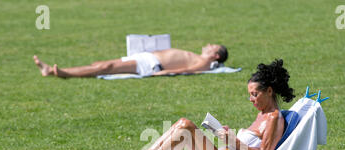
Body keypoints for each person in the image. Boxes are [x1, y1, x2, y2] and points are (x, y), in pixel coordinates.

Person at [113, 59, 296, 150]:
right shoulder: (262, 115)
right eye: (250, 94)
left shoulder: (273, 118)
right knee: (182, 125)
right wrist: (226, 135)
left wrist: (233, 141)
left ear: (269, 91)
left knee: (186, 125)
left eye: (254, 94)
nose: (251, 99)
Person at [33, 44, 228, 78]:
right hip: (145, 57)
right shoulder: (199, 55)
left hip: (150, 64)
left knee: (105, 67)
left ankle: (60, 72)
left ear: (216, 55)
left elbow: (189, 70)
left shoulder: (204, 63)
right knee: (101, 64)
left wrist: (164, 72)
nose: (209, 44)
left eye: (213, 46)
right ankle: (51, 70)